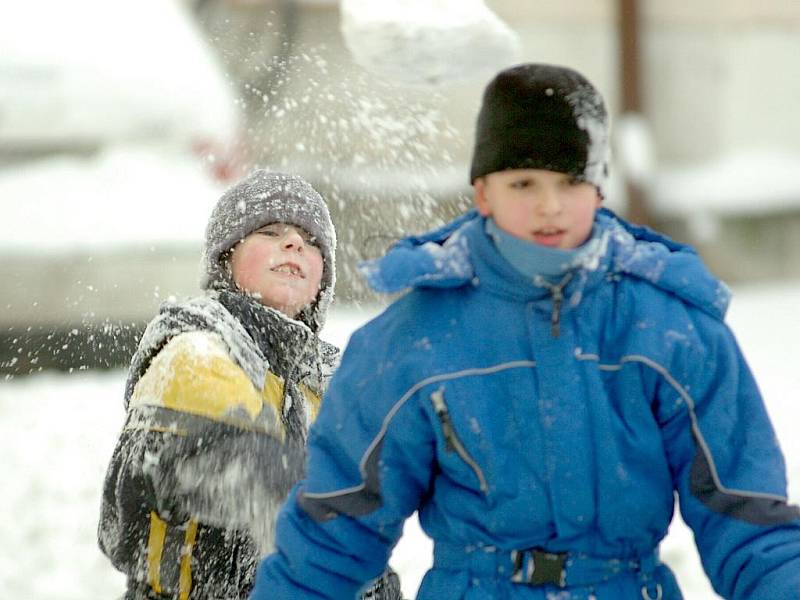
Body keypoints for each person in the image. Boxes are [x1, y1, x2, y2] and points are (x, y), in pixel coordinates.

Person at [248, 64, 800, 599]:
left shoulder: (670, 331)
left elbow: (749, 519)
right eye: (524, 182)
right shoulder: (410, 343)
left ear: (600, 190)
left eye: (570, 181)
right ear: (483, 193)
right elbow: (335, 530)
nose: (549, 206)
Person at [97, 170, 402, 599]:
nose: (294, 243)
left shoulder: (320, 386)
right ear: (226, 260)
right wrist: (331, 508)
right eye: (270, 231)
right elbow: (205, 461)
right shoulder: (196, 350)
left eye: (311, 241)